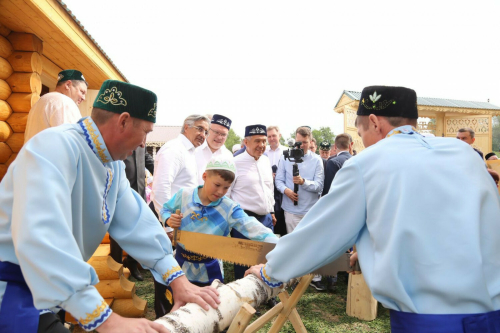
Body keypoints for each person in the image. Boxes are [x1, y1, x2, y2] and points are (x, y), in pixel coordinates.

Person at [246, 86, 500, 332]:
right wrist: (372, 252)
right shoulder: (464, 154)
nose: (362, 140)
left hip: (429, 320)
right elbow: (437, 222)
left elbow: (323, 231)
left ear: (375, 122)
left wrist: (271, 271)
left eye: (360, 130)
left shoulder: (366, 163)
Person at [0, 80, 220, 333]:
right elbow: (41, 234)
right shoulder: (53, 147)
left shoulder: (112, 166)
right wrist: (106, 320)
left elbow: (137, 221)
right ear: (123, 121)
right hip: (13, 290)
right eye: (146, 132)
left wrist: (177, 279)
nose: (143, 144)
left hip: (48, 290)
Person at [161, 156, 278, 288]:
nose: (221, 192)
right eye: (217, 185)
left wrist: (279, 244)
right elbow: (165, 209)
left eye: (226, 188)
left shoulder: (229, 208)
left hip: (210, 269)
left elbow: (252, 226)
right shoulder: (184, 195)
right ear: (205, 176)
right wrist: (168, 219)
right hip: (181, 265)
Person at [151, 114, 210, 317]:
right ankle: (165, 319)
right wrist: (167, 226)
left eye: (206, 131)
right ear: (187, 127)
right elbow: (160, 189)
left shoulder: (192, 152)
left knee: (175, 272)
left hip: (181, 223)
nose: (204, 134)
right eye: (200, 129)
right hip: (168, 223)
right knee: (164, 272)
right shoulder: (173, 149)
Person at [275, 126, 325, 290]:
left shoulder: (317, 160)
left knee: (313, 243)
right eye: (298, 142)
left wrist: (303, 182)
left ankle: (314, 277)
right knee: (293, 243)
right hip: (291, 209)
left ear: (310, 142)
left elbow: (319, 186)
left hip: (311, 210)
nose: (301, 145)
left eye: (304, 142)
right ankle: (294, 276)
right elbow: (279, 181)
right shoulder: (285, 158)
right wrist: (287, 191)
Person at [229, 124, 276, 280]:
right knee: (243, 261)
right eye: (257, 141)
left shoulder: (265, 161)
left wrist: (271, 210)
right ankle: (242, 297)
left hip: (266, 219)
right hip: (243, 220)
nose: (261, 145)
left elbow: (269, 188)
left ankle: (268, 290)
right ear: (246, 142)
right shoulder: (234, 162)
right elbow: (227, 194)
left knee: (267, 259)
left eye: (264, 141)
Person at [109, 146, 148, 281]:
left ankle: (131, 262)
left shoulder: (142, 139)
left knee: (138, 229)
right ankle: (116, 266)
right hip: (121, 193)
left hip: (139, 192)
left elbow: (146, 157)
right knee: (117, 230)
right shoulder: (121, 139)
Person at [24, 69, 87, 143]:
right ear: (68, 85)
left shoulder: (40, 102)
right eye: (82, 92)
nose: (84, 98)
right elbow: (69, 141)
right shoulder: (64, 101)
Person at [195, 114, 234, 185]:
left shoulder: (228, 156)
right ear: (208, 130)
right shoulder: (195, 150)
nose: (219, 137)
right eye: (216, 132)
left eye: (223, 134)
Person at [265, 126, 287, 236]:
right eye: (269, 136)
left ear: (279, 136)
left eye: (274, 135)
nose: (271, 138)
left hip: (283, 192)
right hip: (267, 190)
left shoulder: (287, 151)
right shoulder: (263, 152)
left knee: (282, 222)